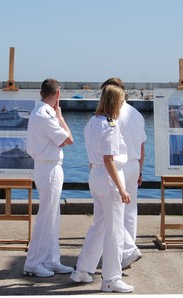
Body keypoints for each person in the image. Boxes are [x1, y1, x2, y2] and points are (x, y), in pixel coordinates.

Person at [70, 83, 134, 293]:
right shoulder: (110, 126)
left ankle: (82, 270)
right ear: (116, 103)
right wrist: (122, 189)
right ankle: (111, 279)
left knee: (99, 226)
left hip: (95, 175)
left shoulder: (92, 122)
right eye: (121, 101)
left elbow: (98, 157)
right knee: (114, 230)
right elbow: (109, 160)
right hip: (109, 178)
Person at [23, 78, 74, 278]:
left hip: (46, 166)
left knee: (52, 215)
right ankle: (33, 262)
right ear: (58, 94)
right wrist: (60, 117)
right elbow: (68, 139)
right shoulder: (47, 115)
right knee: (46, 216)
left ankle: (51, 259)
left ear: (40, 92)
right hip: (49, 168)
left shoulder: (39, 112)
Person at [112, 78, 146, 269]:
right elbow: (142, 147)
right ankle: (129, 249)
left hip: (120, 165)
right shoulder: (136, 114)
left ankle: (126, 251)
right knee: (131, 211)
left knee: (116, 210)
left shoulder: (114, 114)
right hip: (134, 165)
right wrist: (141, 169)